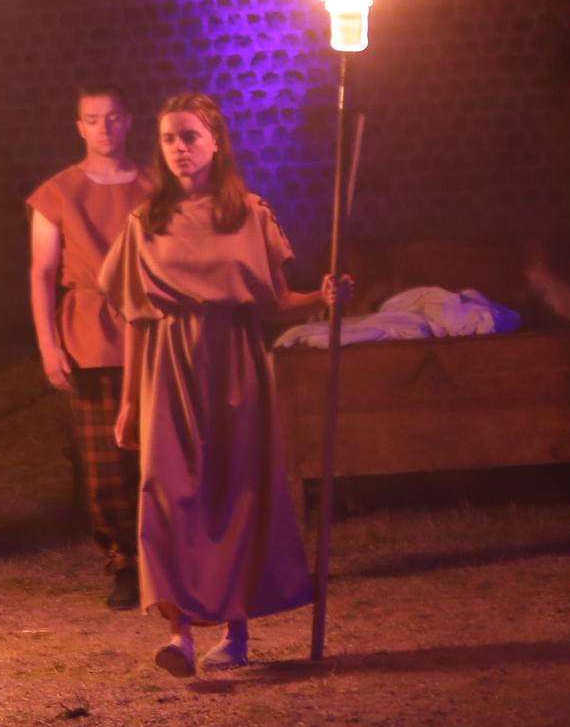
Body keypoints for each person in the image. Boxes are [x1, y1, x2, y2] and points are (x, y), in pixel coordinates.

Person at [101, 94, 345, 677]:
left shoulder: (249, 213)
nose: (179, 148)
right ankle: (180, 633)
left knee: (239, 488)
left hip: (235, 363)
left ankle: (237, 632)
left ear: (215, 142)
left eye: (189, 136)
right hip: (170, 367)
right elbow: (137, 317)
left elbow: (276, 299)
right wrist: (131, 400)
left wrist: (324, 297)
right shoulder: (146, 222)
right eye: (168, 139)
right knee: (170, 491)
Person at [25, 89, 155, 610]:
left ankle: (165, 554)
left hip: (151, 329)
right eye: (93, 120)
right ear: (79, 126)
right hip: (89, 333)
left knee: (158, 451)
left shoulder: (155, 185)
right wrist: (48, 345)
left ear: (128, 122)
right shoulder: (58, 192)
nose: (104, 128)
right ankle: (124, 560)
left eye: (113, 118)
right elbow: (42, 272)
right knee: (105, 459)